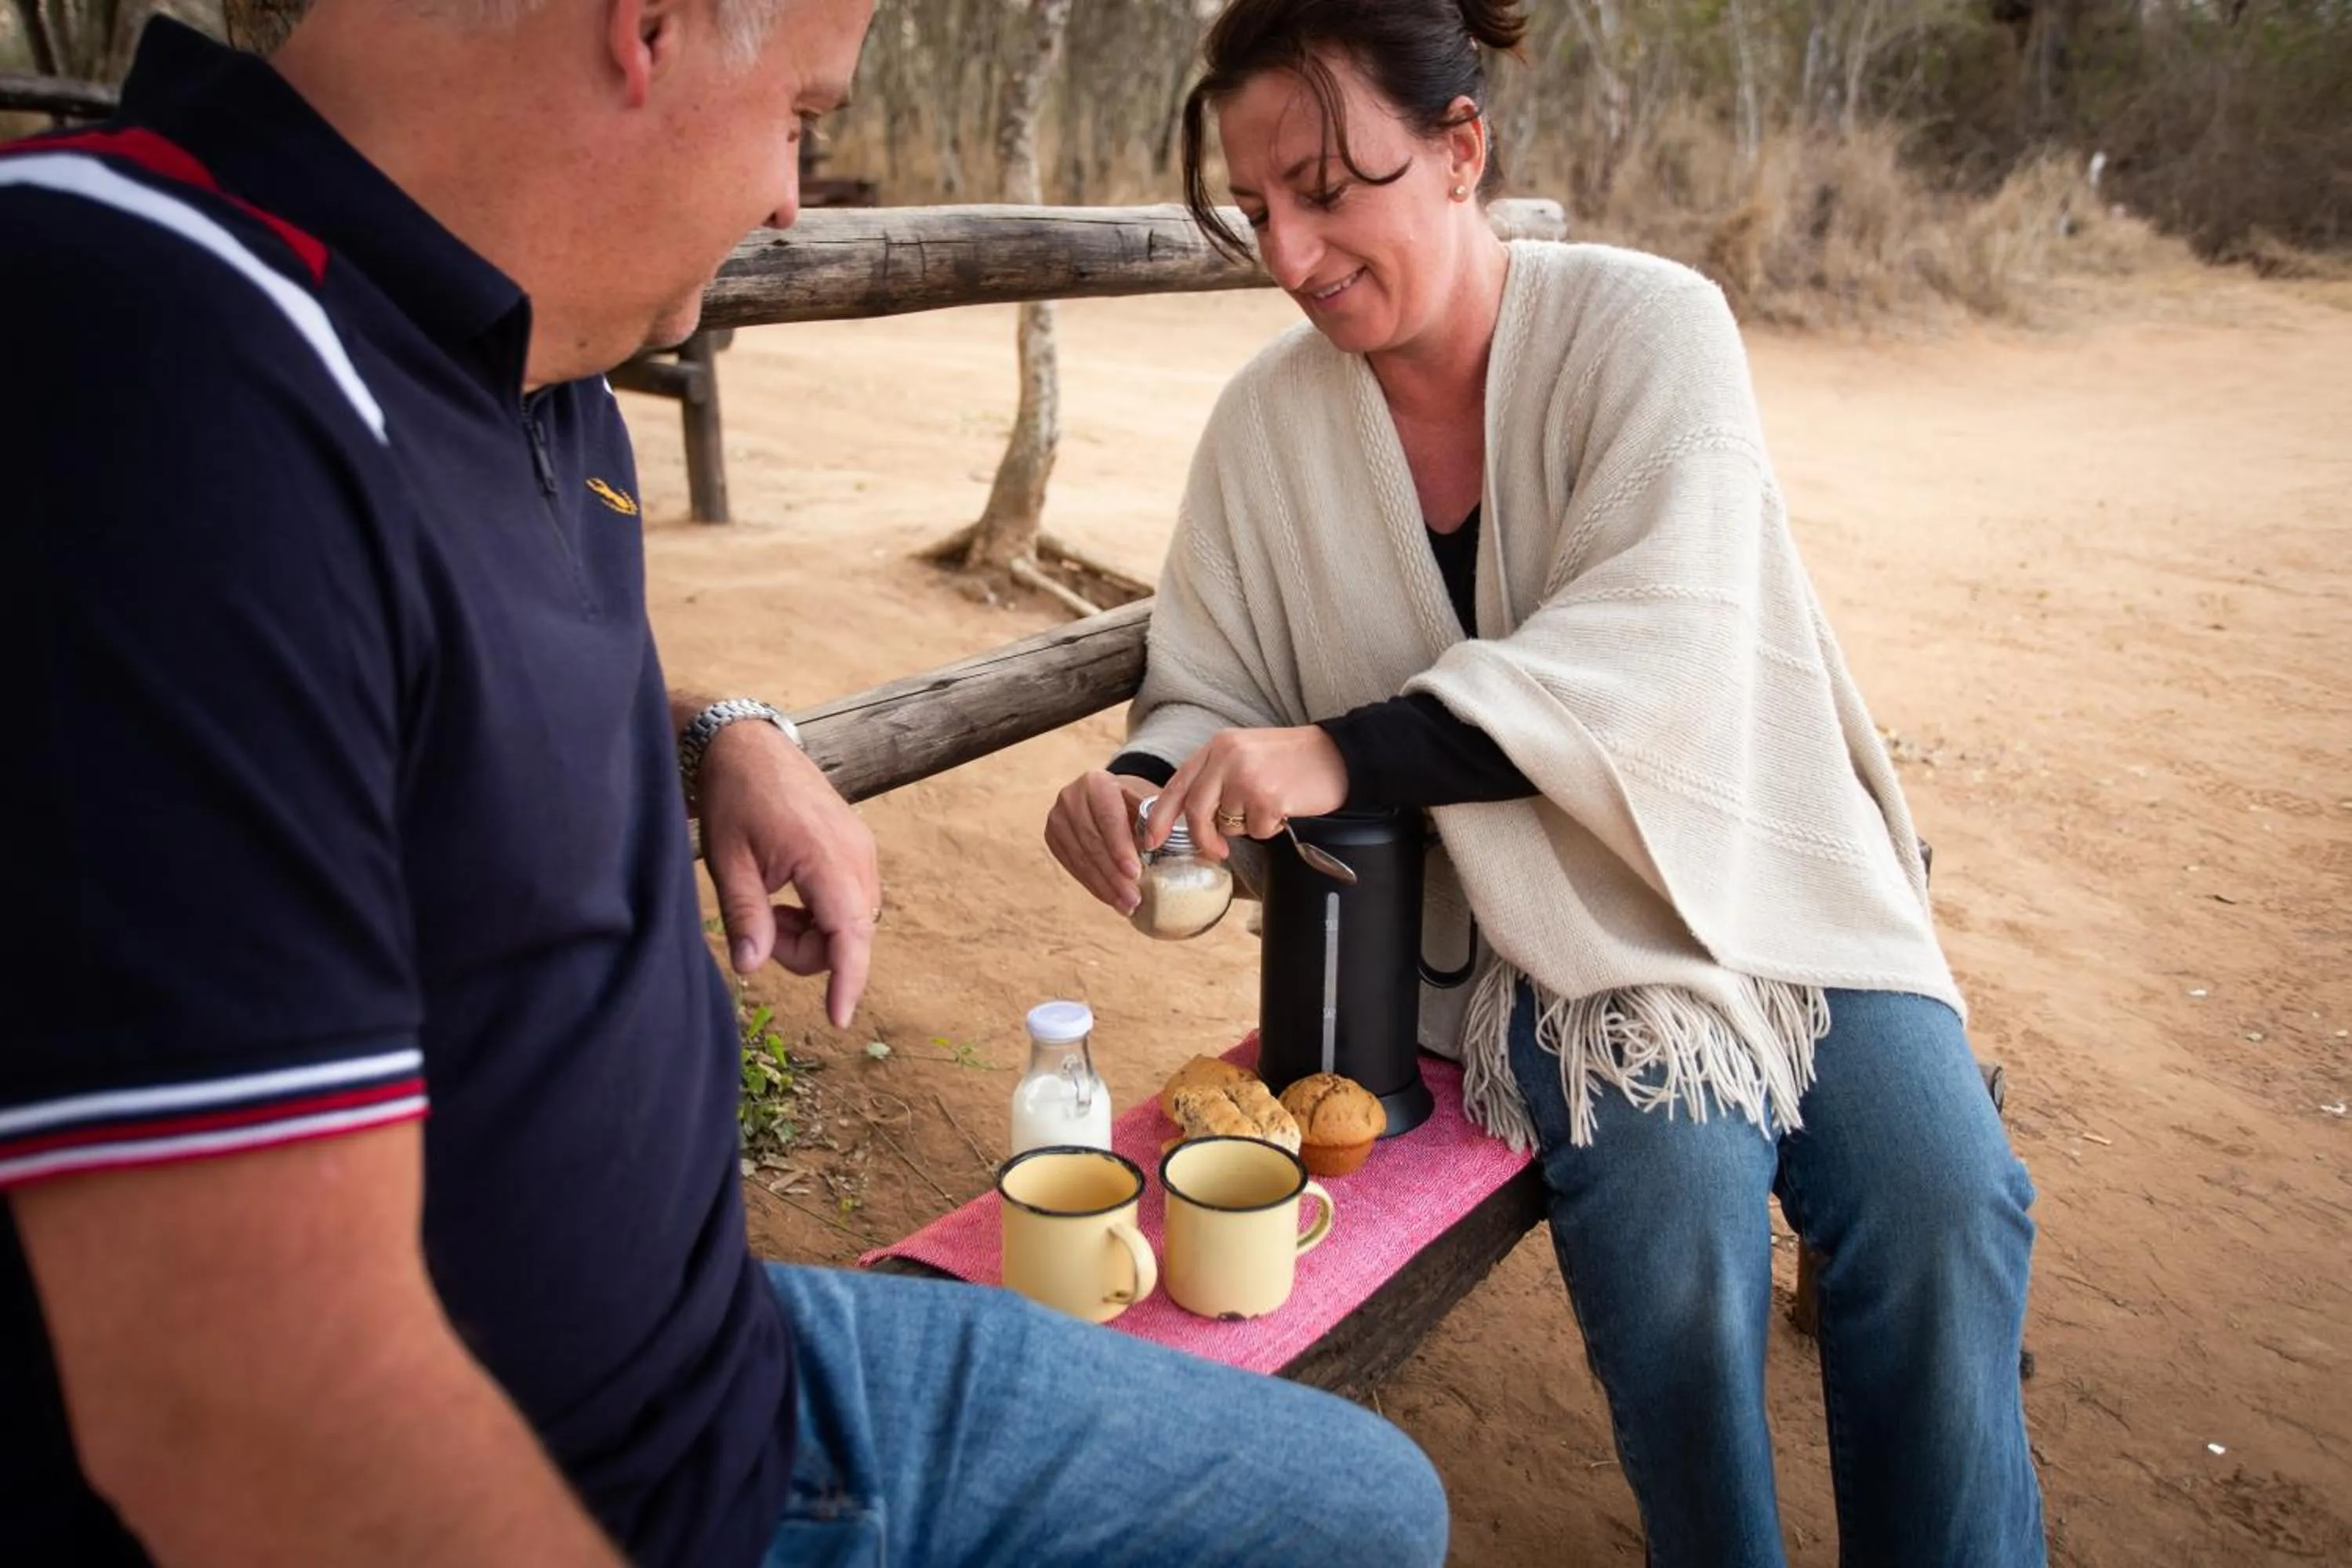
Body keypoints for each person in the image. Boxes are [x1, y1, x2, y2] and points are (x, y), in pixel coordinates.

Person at [0, 2, 1450, 1564]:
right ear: (654, 27)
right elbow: (244, 1410)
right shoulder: (138, 353)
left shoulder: (511, 339)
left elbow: (400, 686)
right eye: (805, 121)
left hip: (726, 1368)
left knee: (1372, 1509)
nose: (786, 200)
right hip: (590, 1487)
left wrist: (711, 733)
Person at [1044, 1, 2045, 1563]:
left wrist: (1347, 750)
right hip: (1523, 945)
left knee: (1943, 1201)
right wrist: (1145, 775)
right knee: (1675, 1226)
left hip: (1769, 884)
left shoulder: (1656, 328)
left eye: (1328, 188)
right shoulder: (1264, 426)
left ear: (1461, 150)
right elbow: (1212, 682)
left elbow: (1667, 641)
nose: (1290, 255)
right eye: (1258, 210)